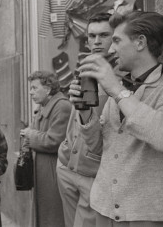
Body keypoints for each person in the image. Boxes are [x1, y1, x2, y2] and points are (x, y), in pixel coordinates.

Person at [69, 11, 163, 226]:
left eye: (116, 40)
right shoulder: (121, 87)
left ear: (140, 42)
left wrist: (115, 89)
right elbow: (97, 148)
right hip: (103, 209)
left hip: (148, 214)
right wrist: (84, 111)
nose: (111, 49)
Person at [56, 12, 114, 227]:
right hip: (66, 165)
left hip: (94, 173)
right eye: (91, 36)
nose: (97, 41)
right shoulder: (85, 66)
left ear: (116, 37)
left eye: (104, 35)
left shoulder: (120, 74)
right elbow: (76, 114)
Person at [20, 70, 72, 227]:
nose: (30, 92)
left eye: (35, 88)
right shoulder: (45, 106)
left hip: (54, 174)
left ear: (48, 89)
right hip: (44, 173)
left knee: (53, 218)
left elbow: (54, 140)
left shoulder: (62, 106)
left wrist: (30, 134)